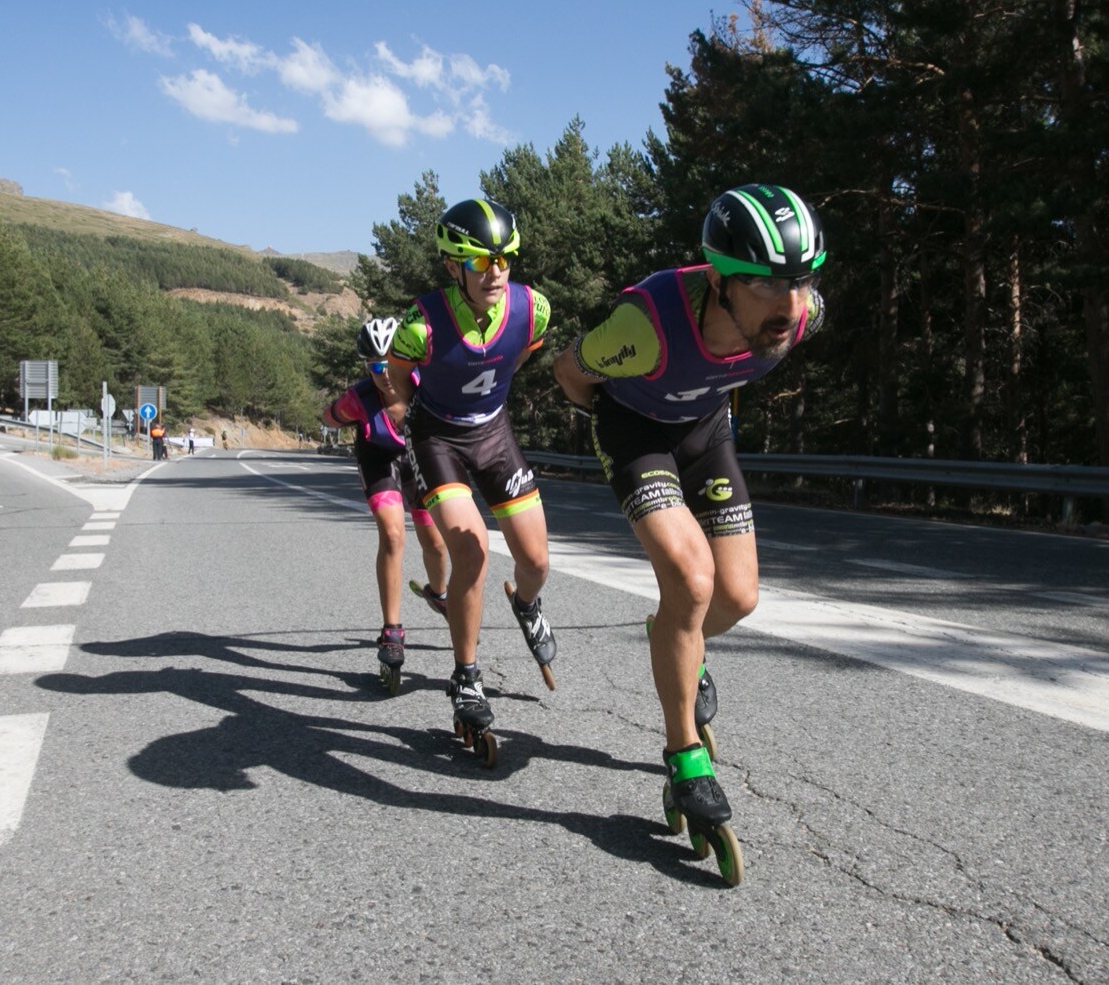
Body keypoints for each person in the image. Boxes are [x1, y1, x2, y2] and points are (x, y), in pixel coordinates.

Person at [552, 183, 827, 875]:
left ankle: (673, 635)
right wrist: (620, 425)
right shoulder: (641, 326)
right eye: (769, 286)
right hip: (636, 431)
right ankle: (685, 758)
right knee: (691, 578)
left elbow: (755, 346)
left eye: (801, 282)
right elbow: (570, 374)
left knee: (736, 599)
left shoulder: (801, 315)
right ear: (719, 278)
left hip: (705, 433)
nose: (790, 305)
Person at [384, 198, 554, 764]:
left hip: (494, 432)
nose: (497, 272)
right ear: (453, 267)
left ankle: (526, 605)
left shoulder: (535, 309)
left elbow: (520, 354)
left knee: (536, 561)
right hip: (437, 439)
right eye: (482, 263)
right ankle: (466, 675)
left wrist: (488, 391)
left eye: (505, 259)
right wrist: (406, 414)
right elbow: (399, 373)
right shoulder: (420, 324)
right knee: (473, 550)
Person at [322, 317, 450, 692]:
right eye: (376, 366)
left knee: (436, 543)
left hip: (417, 458)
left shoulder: (424, 386)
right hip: (378, 459)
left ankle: (438, 593)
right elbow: (331, 416)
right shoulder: (358, 398)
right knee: (393, 536)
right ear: (366, 367)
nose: (385, 373)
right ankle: (392, 630)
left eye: (392, 362)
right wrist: (332, 418)